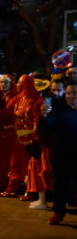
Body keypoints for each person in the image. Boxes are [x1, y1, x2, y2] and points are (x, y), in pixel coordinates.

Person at [39, 81, 77, 225]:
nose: (71, 96)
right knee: (59, 185)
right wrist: (44, 115)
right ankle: (58, 212)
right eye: (68, 93)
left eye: (74, 93)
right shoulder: (59, 109)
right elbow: (49, 122)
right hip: (60, 154)